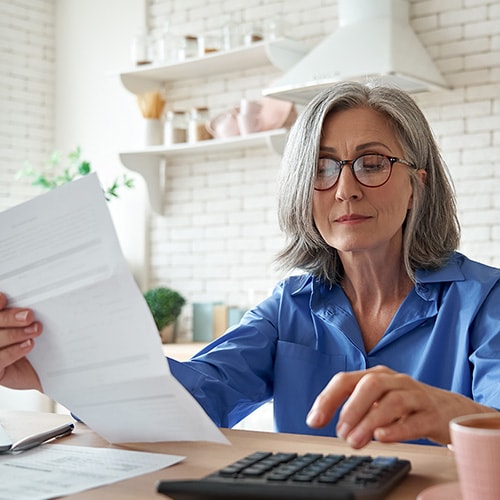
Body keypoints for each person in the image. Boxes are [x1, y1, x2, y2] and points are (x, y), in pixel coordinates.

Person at [1, 82, 499, 449]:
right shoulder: (288, 309)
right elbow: (194, 396)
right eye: (321, 168)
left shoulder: (484, 302)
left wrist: (448, 413)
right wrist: (54, 367)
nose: (345, 188)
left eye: (371, 163)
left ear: (419, 183)